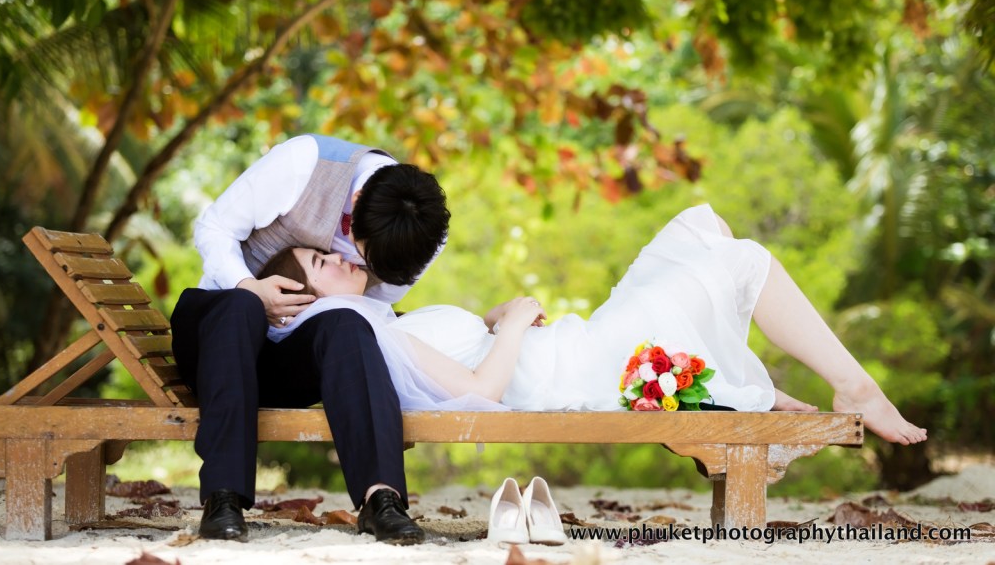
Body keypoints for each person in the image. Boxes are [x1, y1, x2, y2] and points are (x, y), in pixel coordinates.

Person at [262, 204, 927, 446]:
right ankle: (854, 388)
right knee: (743, 260)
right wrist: (518, 324)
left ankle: (734, 379)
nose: (342, 258)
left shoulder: (388, 322)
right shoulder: (367, 333)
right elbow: (480, 392)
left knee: (700, 224)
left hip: (580, 345)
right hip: (583, 366)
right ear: (301, 301)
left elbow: (469, 354)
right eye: (322, 262)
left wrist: (497, 316)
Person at [170, 134, 451, 544]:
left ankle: (382, 501)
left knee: (348, 323)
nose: (356, 265)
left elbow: (370, 305)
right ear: (353, 210)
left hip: (290, 363)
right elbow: (212, 228)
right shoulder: (303, 163)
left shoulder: (421, 238)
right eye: (360, 253)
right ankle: (223, 499)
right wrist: (251, 286)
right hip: (219, 346)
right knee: (241, 306)